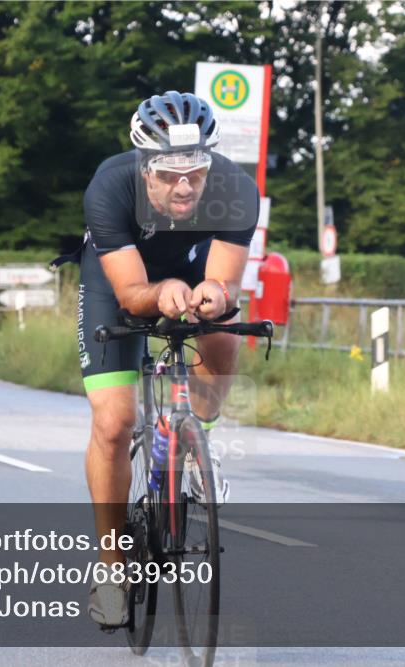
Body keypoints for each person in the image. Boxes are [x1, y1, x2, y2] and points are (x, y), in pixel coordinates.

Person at [56, 91, 259, 628]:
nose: (185, 185)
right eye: (169, 174)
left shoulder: (236, 189)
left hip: (189, 273)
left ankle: (197, 442)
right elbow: (130, 293)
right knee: (115, 421)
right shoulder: (110, 185)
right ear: (144, 167)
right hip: (118, 281)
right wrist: (164, 288)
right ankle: (111, 565)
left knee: (223, 330)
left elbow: (224, 279)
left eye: (195, 170)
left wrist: (215, 296)